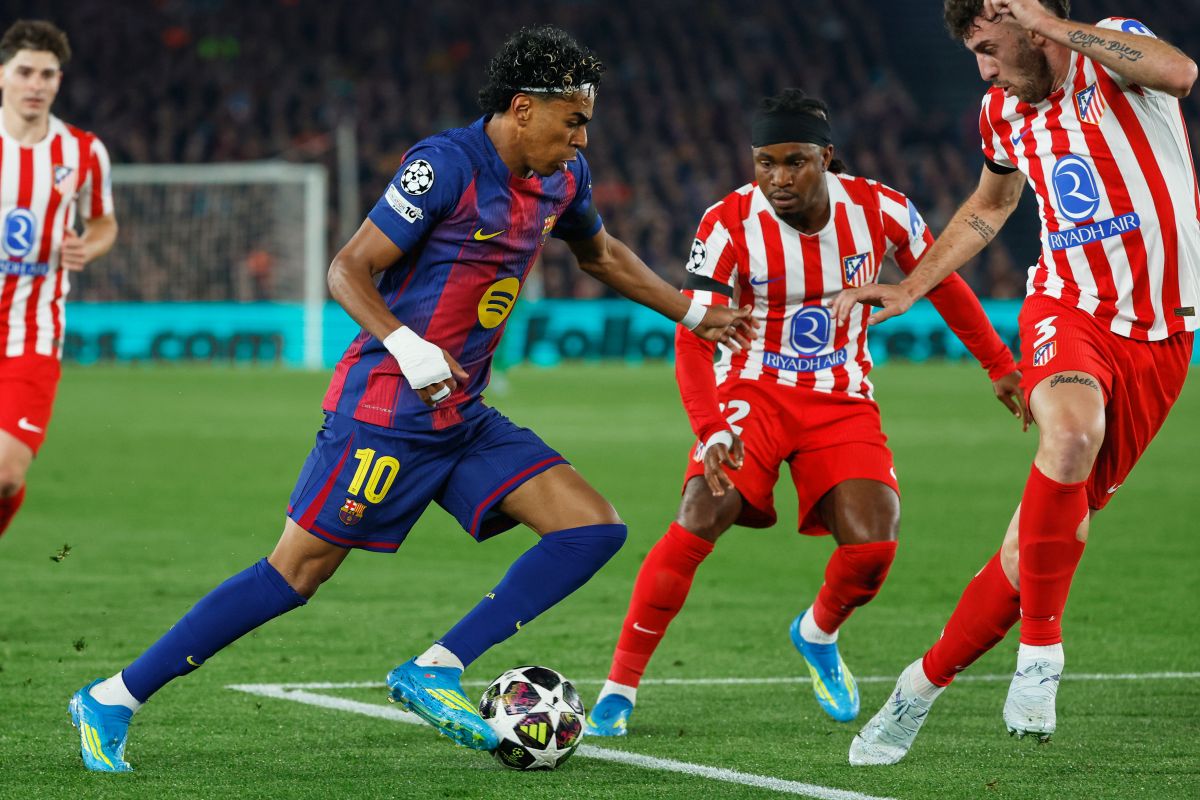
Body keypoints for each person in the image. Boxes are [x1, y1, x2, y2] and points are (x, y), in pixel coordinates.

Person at [67, 25, 754, 773]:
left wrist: (691, 311)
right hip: (386, 412)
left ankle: (435, 668)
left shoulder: (564, 179)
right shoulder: (445, 165)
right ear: (524, 108)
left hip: (462, 416)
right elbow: (347, 268)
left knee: (592, 529)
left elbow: (601, 253)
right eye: (573, 120)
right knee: (295, 574)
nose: (582, 138)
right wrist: (407, 344)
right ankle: (112, 697)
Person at [584, 88, 1022, 737]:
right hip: (752, 389)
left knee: (874, 547)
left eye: (794, 162)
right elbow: (691, 335)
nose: (779, 178)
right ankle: (618, 690)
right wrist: (711, 429)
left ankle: (817, 632)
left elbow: (941, 281)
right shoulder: (728, 221)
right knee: (702, 510)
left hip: (841, 397)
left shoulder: (881, 209)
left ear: (826, 158)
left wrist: (999, 364)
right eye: (766, 162)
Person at [832, 0, 1197, 766]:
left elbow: (1180, 72)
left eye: (991, 49)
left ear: (1032, 26)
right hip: (1067, 306)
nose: (984, 71)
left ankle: (916, 690)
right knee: (1072, 430)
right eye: (975, 54)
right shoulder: (1002, 113)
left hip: (1162, 336)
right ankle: (1041, 655)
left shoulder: (1114, 53)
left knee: (1023, 554)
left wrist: (1054, 24)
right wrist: (912, 286)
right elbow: (991, 205)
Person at [0, 20, 116, 541]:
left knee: (6, 475)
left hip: (32, 335)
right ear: (2, 75)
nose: (36, 84)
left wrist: (87, 246)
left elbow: (104, 223)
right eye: (25, 71)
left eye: (46, 74)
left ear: (59, 81)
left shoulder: (83, 151)